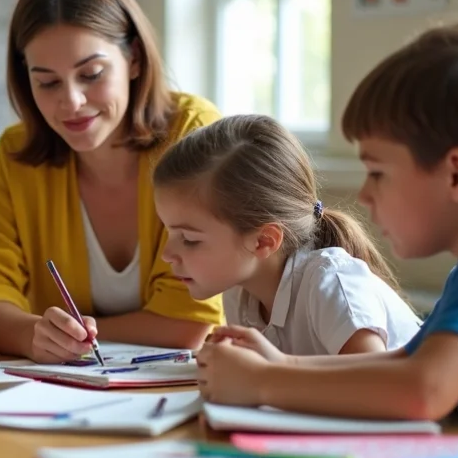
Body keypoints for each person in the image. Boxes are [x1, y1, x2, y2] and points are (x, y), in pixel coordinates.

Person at [197, 21, 458, 453]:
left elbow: (424, 391)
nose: (364, 194)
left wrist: (264, 382)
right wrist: (283, 363)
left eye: (378, 172)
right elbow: (407, 361)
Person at [0, 0, 223, 363]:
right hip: (59, 390)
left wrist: (57, 336)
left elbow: (188, 323)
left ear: (133, 59)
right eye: (47, 82)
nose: (72, 101)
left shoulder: (194, 132)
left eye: (91, 74)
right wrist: (32, 334)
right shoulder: (16, 154)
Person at [153, 114, 421, 357]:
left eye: (189, 239)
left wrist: (268, 375)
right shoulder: (239, 292)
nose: (166, 254)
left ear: (263, 241)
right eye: (168, 231)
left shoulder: (329, 284)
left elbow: (373, 388)